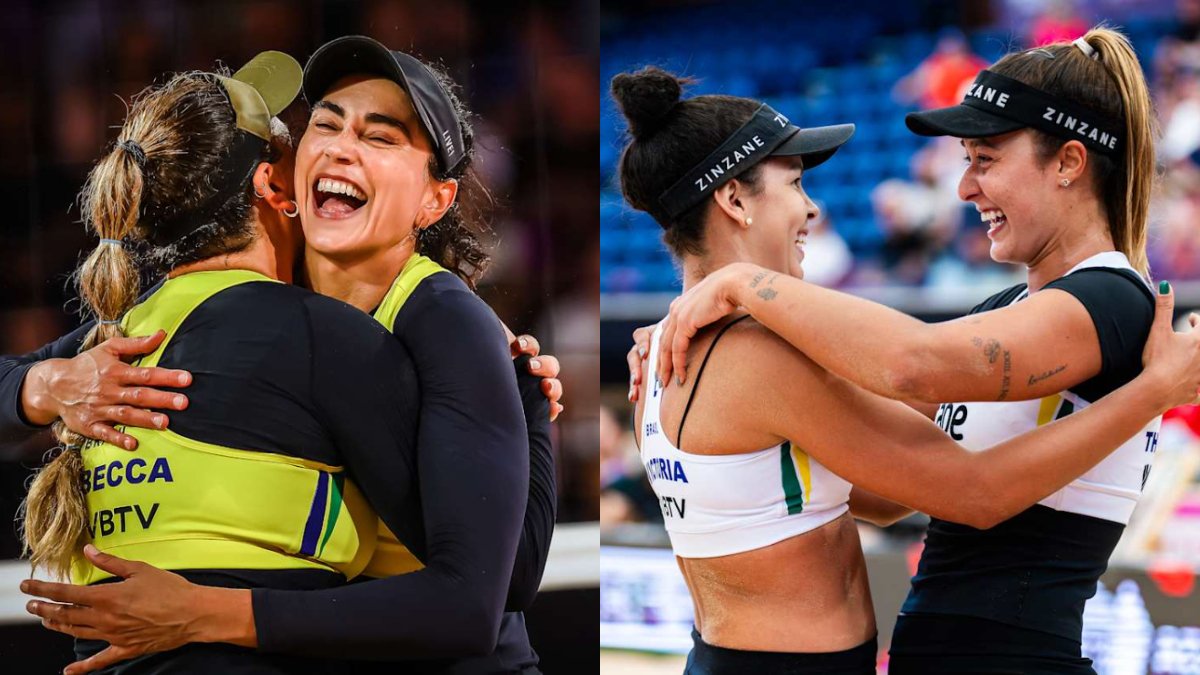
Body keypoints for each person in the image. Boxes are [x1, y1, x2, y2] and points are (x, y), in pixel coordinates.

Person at [14, 39, 559, 675]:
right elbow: (23, 374)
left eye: (381, 138)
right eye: (325, 123)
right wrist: (54, 383)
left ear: (434, 200)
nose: (340, 145)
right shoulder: (253, 303)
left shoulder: (443, 320)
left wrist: (526, 401)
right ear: (282, 179)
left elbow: (497, 589)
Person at [646, 28, 1170, 674]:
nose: (965, 188)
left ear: (1068, 161)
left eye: (985, 159)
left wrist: (742, 286)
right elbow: (882, 478)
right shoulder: (1008, 310)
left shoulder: (1113, 300)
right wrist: (717, 399)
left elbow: (914, 365)